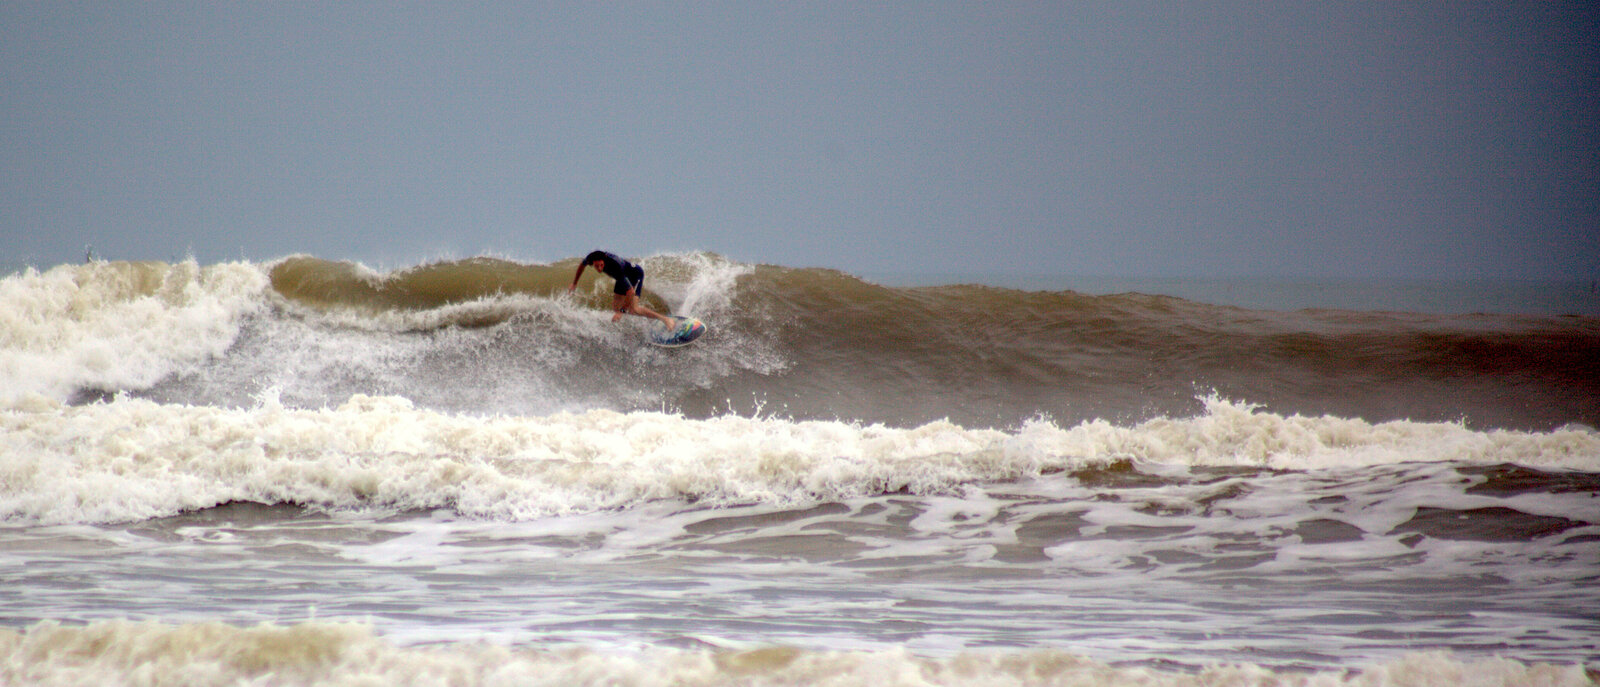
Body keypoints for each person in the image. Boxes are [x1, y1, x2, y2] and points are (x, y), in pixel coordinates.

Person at [568, 250, 677, 328]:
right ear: (592, 263)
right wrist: (574, 283)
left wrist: (622, 312)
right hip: (622, 277)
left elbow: (630, 292)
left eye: (601, 265)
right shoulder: (590, 258)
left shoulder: (615, 266)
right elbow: (581, 266)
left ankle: (666, 319)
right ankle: (630, 327)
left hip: (635, 274)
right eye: (597, 266)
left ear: (604, 261)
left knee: (633, 309)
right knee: (615, 307)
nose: (600, 269)